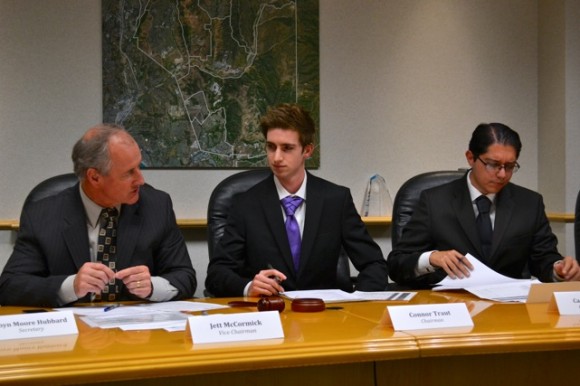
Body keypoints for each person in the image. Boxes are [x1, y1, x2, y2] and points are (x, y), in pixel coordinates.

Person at [0, 125, 196, 307]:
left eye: (139, 167)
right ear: (94, 177)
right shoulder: (43, 214)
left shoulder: (156, 206)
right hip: (72, 334)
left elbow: (185, 277)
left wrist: (153, 286)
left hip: (137, 333)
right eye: (129, 173)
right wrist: (71, 286)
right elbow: (10, 286)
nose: (141, 180)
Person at [205, 103, 388, 297]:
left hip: (323, 316)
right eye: (271, 147)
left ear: (307, 151)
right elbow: (217, 274)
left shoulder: (335, 199)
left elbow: (374, 265)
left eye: (287, 148)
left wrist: (355, 302)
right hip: (268, 314)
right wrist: (249, 287)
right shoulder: (245, 204)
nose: (276, 157)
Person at [387, 123, 580, 288]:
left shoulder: (529, 203)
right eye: (493, 164)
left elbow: (544, 259)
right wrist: (431, 258)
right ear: (471, 157)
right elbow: (397, 263)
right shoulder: (434, 201)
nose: (502, 174)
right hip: (450, 307)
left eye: (510, 166)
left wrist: (559, 269)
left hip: (510, 311)